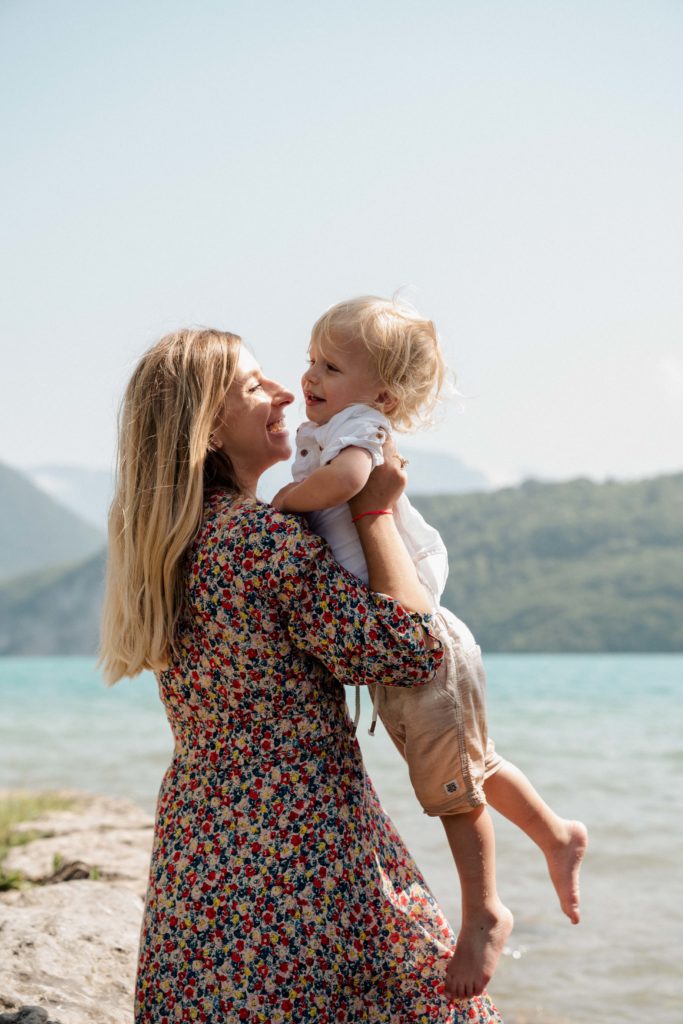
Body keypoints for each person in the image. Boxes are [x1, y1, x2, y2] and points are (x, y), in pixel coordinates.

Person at [99, 327, 503, 1023]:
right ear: (209, 429)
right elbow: (411, 650)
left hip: (201, 842)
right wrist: (374, 510)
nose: (286, 391)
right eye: (255, 386)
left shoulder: (171, 545)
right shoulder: (261, 540)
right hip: (300, 841)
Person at [272, 296, 588, 1000]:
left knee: (450, 790)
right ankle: (556, 835)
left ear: (382, 395)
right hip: (411, 648)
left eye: (331, 366)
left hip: (423, 642)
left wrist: (283, 505)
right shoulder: (327, 426)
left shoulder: (359, 427)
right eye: (311, 360)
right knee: (470, 765)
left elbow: (350, 483)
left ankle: (485, 912)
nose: (310, 376)